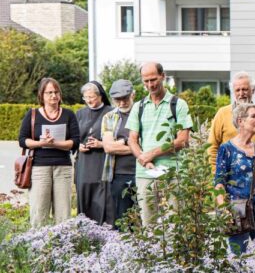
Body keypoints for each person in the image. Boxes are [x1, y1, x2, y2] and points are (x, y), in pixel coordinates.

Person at [127, 62, 194, 226]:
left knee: (176, 222)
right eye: (146, 81)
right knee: (148, 223)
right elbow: (132, 140)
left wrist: (152, 153)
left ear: (163, 76)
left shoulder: (178, 104)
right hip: (145, 173)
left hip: (174, 172)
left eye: (153, 79)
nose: (150, 85)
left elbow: (182, 140)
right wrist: (144, 159)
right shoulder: (139, 106)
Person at [18, 77, 79, 228]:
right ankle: (38, 247)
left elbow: (75, 141)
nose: (53, 96)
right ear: (42, 95)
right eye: (49, 92)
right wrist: (41, 143)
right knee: (39, 212)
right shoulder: (32, 114)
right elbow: (22, 140)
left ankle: (62, 248)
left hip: (63, 167)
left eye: (56, 92)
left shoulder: (68, 114)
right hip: (39, 167)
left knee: (63, 213)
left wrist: (55, 143)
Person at [215, 103, 255, 254]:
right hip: (238, 210)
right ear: (240, 121)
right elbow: (219, 182)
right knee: (238, 257)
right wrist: (223, 209)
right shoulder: (226, 149)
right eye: (253, 116)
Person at [207, 71, 255, 171]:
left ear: (253, 90)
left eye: (245, 89)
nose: (241, 93)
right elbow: (212, 146)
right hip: (229, 175)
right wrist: (216, 174)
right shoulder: (222, 113)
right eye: (237, 90)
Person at [75, 81, 113, 225]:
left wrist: (101, 144)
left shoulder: (111, 112)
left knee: (103, 198)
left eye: (92, 97)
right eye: (86, 97)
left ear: (100, 96)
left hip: (102, 162)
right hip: (84, 164)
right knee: (84, 196)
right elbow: (71, 138)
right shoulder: (80, 114)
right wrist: (78, 146)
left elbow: (118, 138)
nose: (89, 100)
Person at [101, 79, 137, 227]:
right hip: (119, 175)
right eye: (117, 100)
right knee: (122, 220)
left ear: (133, 95)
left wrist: (121, 142)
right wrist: (133, 145)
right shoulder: (109, 117)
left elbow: (149, 146)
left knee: (145, 218)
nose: (122, 103)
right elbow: (108, 148)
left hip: (142, 172)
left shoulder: (143, 114)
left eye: (125, 99)